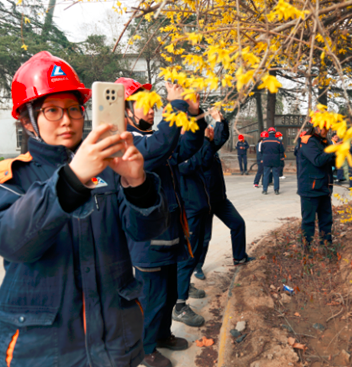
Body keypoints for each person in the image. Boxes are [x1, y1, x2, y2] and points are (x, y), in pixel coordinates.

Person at [0, 51, 170, 367]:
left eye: (73, 109)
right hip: (43, 350)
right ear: (27, 120)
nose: (66, 120)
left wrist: (138, 183)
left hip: (114, 341)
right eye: (52, 110)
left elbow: (146, 232)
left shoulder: (111, 170)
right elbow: (10, 241)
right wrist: (72, 178)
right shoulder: (9, 178)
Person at [115, 77, 207, 367]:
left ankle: (163, 334)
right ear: (126, 110)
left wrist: (194, 115)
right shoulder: (126, 142)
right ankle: (144, 349)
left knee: (166, 295)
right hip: (148, 240)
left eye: (154, 105)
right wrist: (176, 105)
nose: (152, 110)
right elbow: (160, 146)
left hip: (169, 233)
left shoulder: (153, 138)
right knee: (151, 298)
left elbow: (186, 146)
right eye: (145, 105)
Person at [194, 109, 255, 280]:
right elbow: (204, 160)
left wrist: (221, 120)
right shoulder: (197, 147)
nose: (210, 130)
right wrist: (207, 138)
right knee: (204, 238)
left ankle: (239, 257)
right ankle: (197, 267)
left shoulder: (210, 145)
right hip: (204, 201)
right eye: (208, 129)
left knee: (238, 224)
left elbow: (222, 137)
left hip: (219, 199)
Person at [175, 126, 216, 318]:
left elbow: (205, 162)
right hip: (188, 210)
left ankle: (185, 287)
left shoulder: (192, 147)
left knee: (196, 251)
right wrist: (206, 142)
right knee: (187, 256)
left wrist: (208, 142)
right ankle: (179, 305)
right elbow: (190, 165)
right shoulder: (176, 148)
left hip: (199, 208)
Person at [296, 118, 336, 253]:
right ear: (316, 127)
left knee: (326, 220)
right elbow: (318, 160)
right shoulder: (307, 141)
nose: (326, 130)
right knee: (308, 222)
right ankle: (305, 249)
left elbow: (332, 163)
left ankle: (326, 246)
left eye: (328, 127)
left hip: (324, 187)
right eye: (324, 127)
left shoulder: (325, 142)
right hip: (310, 189)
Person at [261, 127, 285, 195]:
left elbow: (262, 151)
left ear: (268, 133)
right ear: (275, 133)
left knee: (266, 175)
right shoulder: (278, 141)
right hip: (275, 160)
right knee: (276, 175)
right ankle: (276, 190)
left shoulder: (264, 141)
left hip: (266, 160)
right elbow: (282, 150)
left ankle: (265, 190)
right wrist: (281, 157)